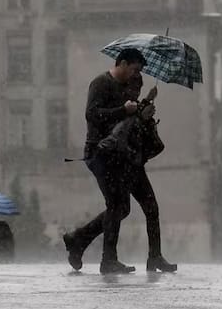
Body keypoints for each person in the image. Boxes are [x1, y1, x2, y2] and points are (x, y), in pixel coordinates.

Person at [62, 48, 146, 275]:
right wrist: (123, 110)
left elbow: (123, 122)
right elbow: (92, 114)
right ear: (123, 63)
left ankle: (79, 239)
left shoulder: (125, 88)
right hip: (98, 152)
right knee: (116, 205)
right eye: (134, 70)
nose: (135, 75)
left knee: (121, 207)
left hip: (116, 153)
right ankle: (107, 259)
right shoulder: (100, 83)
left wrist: (141, 109)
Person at [99, 74, 177, 272]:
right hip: (120, 165)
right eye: (134, 86)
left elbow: (142, 135)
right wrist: (141, 115)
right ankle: (108, 259)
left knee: (151, 208)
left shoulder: (137, 105)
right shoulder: (120, 104)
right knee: (117, 209)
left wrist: (148, 112)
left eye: (139, 87)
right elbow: (120, 127)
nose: (136, 90)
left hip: (134, 166)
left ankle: (155, 257)